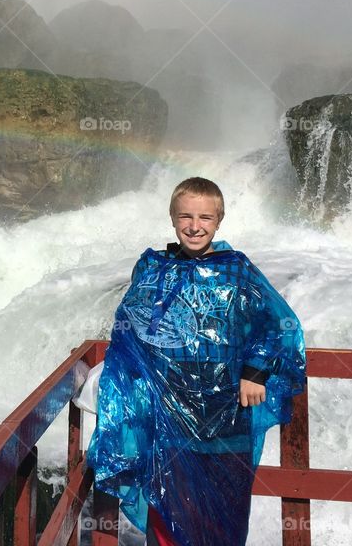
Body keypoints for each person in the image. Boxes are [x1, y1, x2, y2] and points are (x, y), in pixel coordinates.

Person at [85, 177, 307, 546]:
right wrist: (124, 380)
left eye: (205, 217)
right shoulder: (152, 268)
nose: (194, 225)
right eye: (185, 216)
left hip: (227, 420)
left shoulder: (237, 269)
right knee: (167, 514)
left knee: (223, 519)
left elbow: (278, 324)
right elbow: (130, 332)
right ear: (173, 218)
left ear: (218, 221)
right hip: (166, 422)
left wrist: (255, 372)